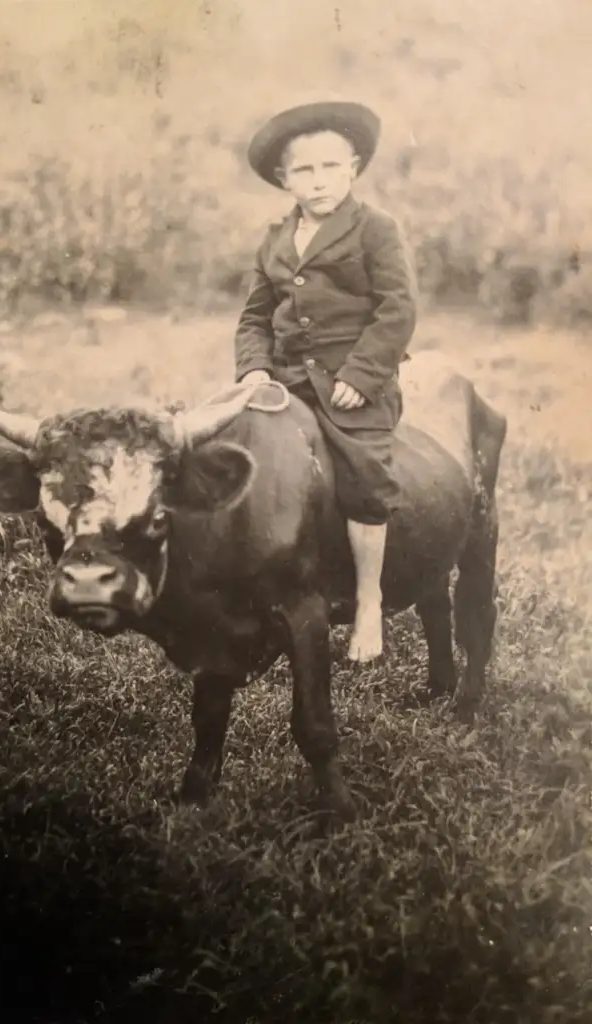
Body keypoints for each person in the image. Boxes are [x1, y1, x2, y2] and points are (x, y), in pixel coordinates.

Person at [233, 100, 417, 662]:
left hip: (353, 386)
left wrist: (362, 375)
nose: (319, 182)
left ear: (354, 167)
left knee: (363, 474)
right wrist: (255, 370)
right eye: (304, 171)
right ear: (284, 180)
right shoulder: (275, 238)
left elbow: (397, 309)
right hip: (287, 382)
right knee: (247, 462)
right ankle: (265, 589)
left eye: (331, 167)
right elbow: (254, 317)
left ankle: (367, 603)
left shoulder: (376, 229)